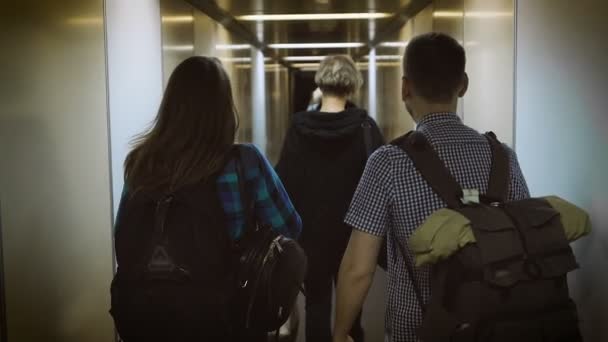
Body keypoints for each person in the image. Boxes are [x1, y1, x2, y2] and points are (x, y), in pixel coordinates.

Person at [332, 33, 530, 342]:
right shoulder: (503, 157)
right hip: (495, 327)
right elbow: (523, 241)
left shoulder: (387, 162)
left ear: (405, 88)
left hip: (417, 332)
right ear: (463, 84)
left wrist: (339, 332)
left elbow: (358, 268)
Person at [111, 56, 302, 342]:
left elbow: (124, 240)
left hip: (146, 319)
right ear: (224, 108)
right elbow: (289, 227)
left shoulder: (140, 162)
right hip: (224, 321)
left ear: (171, 105)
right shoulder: (243, 162)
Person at [276, 55, 384, 342]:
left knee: (316, 305)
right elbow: (379, 180)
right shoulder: (366, 128)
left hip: (310, 232)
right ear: (351, 86)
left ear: (321, 84)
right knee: (353, 310)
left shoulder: (298, 127)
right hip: (355, 234)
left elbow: (284, 180)